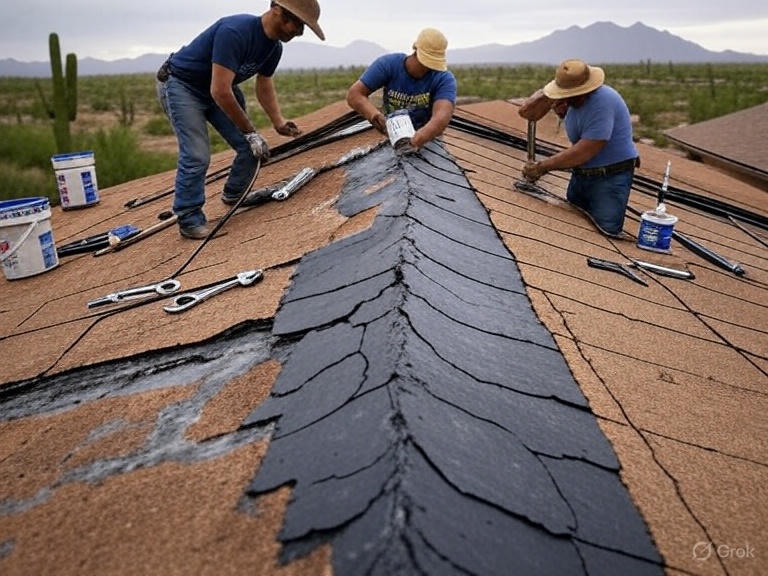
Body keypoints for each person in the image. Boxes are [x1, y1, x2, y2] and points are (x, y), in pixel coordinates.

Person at [156, 1, 325, 239]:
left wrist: (278, 121)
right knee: (196, 155)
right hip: (182, 85)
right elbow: (221, 91)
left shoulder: (274, 48)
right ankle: (189, 217)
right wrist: (250, 131)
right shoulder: (235, 32)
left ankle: (235, 193)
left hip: (217, 88)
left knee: (250, 149)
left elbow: (264, 83)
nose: (299, 32)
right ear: (277, 11)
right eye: (298, 24)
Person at [520, 59, 639, 237]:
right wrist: (546, 97)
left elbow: (586, 150)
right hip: (582, 175)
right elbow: (528, 114)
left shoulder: (603, 101)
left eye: (576, 94)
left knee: (604, 235)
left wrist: (542, 167)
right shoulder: (569, 100)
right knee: (576, 230)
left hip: (610, 178)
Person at [346, 28, 457, 151]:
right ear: (415, 51)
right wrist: (375, 116)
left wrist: (419, 138)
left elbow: (442, 116)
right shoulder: (389, 65)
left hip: (427, 140)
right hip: (391, 136)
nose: (428, 67)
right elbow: (354, 95)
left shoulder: (443, 78)